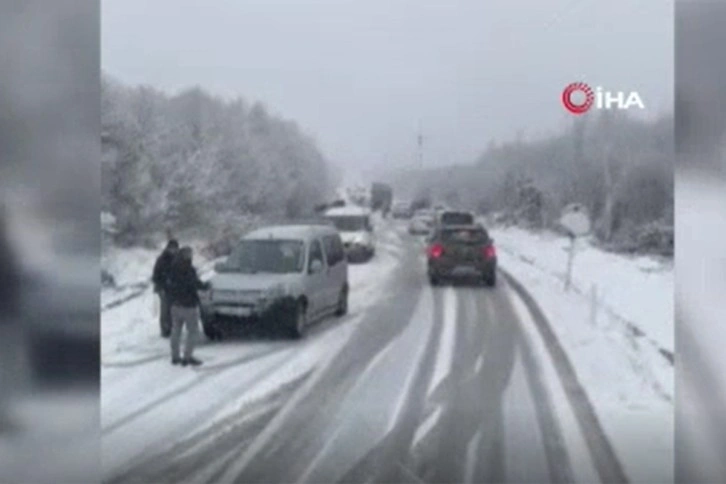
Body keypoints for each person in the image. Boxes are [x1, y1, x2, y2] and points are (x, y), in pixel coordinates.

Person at [166, 246, 210, 366]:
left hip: (175, 305)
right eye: (189, 254)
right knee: (192, 332)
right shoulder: (188, 269)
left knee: (175, 331)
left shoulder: (172, 269)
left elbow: (168, 285)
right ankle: (187, 357)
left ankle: (175, 356)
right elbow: (194, 283)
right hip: (188, 305)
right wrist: (205, 286)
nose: (191, 256)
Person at [152, 239, 179, 337]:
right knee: (166, 309)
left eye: (175, 248)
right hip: (163, 288)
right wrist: (161, 286)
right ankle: (165, 329)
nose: (174, 250)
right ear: (168, 248)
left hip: (174, 287)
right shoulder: (162, 259)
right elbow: (156, 275)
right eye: (172, 248)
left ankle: (172, 327)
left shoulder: (177, 258)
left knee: (174, 309)